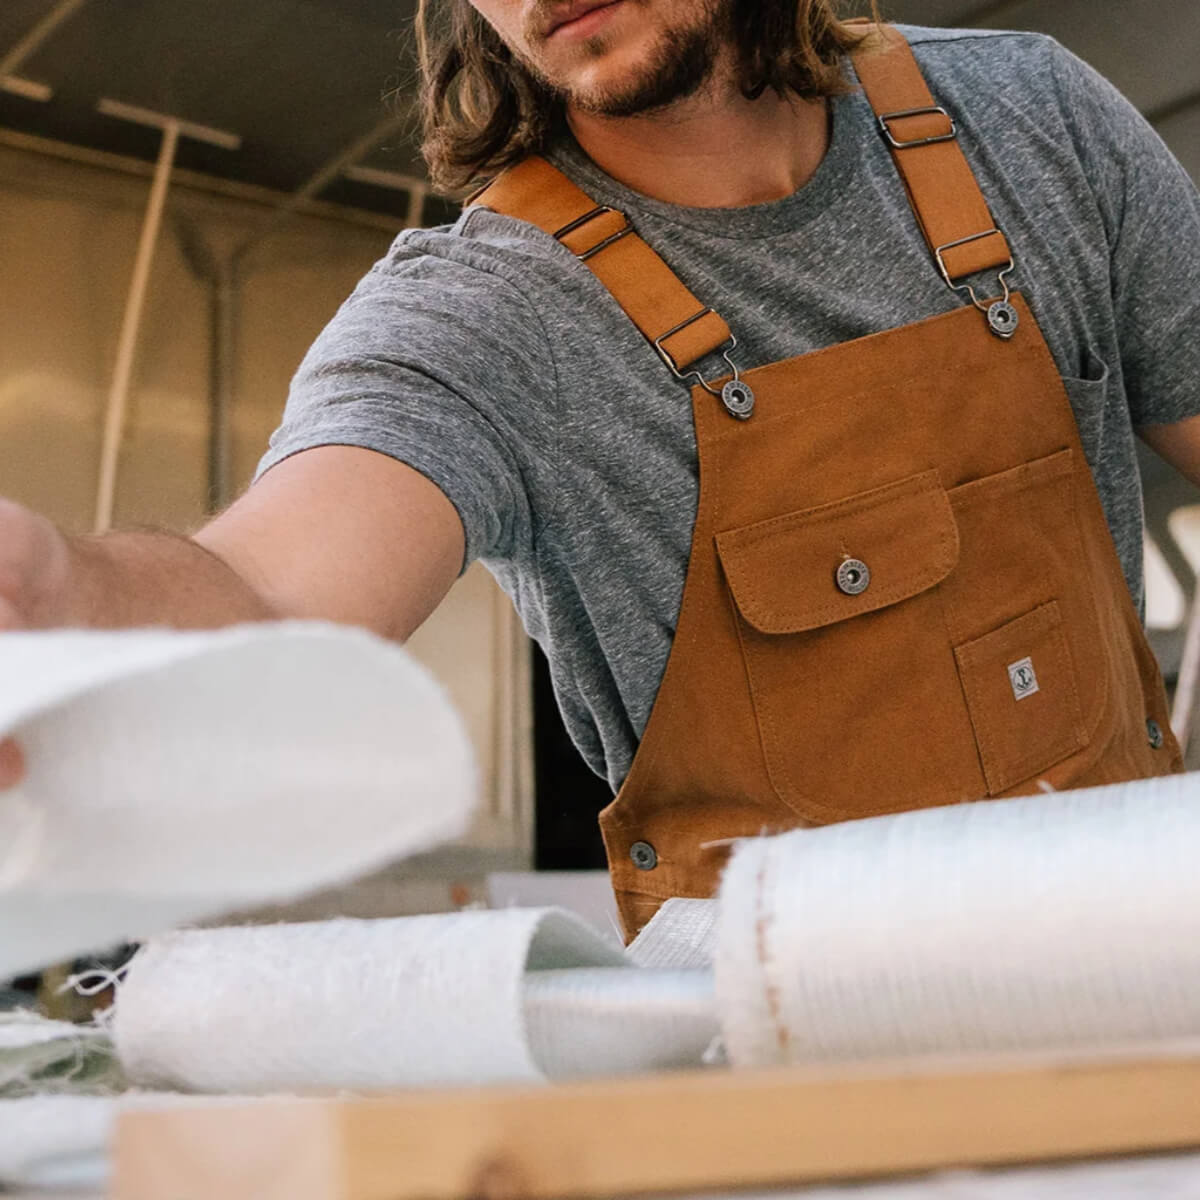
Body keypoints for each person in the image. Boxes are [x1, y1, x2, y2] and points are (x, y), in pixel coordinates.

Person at [2, 0, 1199, 935]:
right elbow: (267, 595)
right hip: (798, 1076)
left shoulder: (1034, 119)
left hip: (1132, 982)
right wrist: (59, 599)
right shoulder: (484, 320)